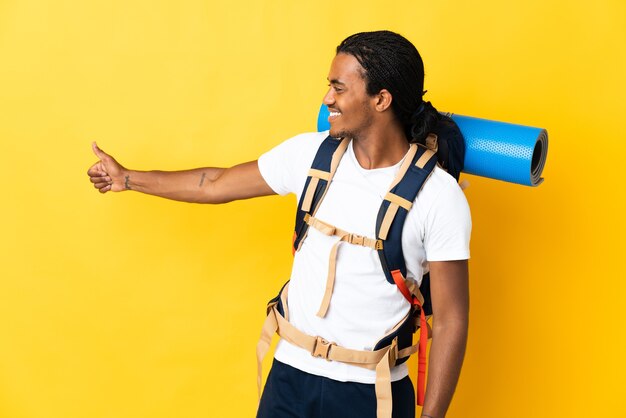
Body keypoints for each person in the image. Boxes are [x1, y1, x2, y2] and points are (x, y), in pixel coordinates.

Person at [87, 30, 471, 418]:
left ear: (381, 99)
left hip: (373, 393)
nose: (327, 99)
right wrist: (127, 178)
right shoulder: (310, 154)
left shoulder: (438, 197)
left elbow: (453, 320)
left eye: (338, 88)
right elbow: (215, 183)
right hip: (289, 378)